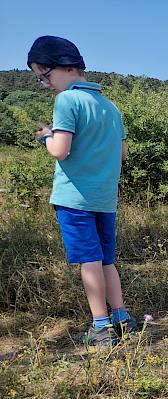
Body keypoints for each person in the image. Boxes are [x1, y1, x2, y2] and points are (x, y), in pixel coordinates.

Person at [27, 35, 137, 347]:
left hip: (74, 199)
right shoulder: (110, 106)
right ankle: (122, 320)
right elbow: (123, 153)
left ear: (62, 67)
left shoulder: (67, 101)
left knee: (88, 262)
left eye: (44, 76)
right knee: (105, 260)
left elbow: (60, 150)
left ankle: (100, 329)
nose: (45, 84)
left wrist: (46, 137)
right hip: (105, 199)